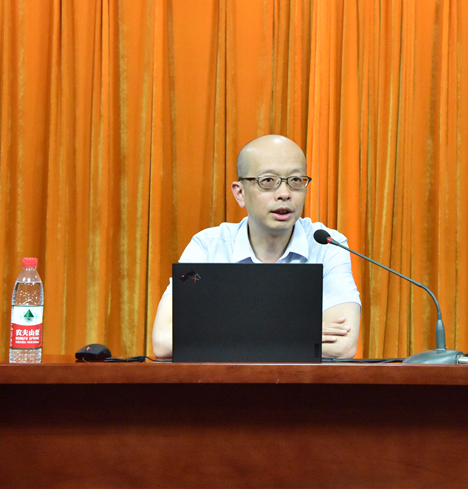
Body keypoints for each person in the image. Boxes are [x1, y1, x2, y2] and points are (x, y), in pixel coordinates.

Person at [151, 135, 362, 359]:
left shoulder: (327, 244)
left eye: (295, 180)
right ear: (240, 193)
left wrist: (219, 333)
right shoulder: (207, 248)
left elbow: (343, 345)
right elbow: (164, 341)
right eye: (268, 181)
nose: (284, 194)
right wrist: (298, 334)